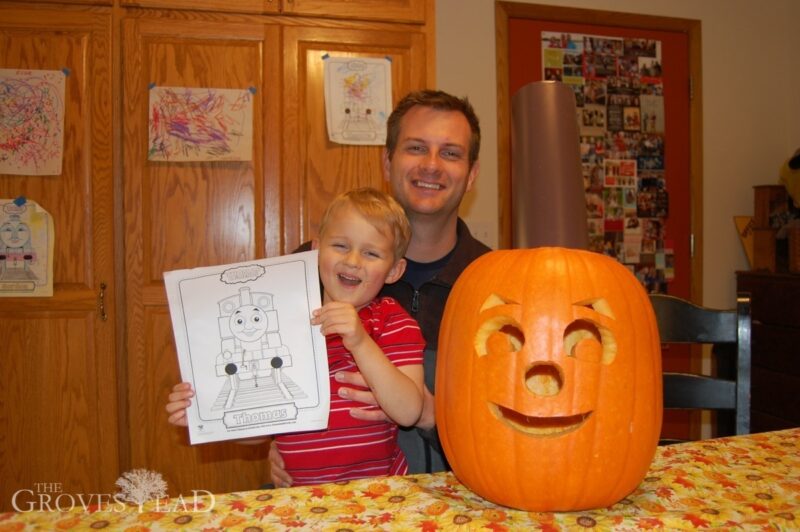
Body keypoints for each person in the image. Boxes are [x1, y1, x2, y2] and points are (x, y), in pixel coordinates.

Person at [168, 89, 491, 485]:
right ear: (387, 162)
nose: (431, 165)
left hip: (433, 500)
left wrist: (426, 411)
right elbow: (263, 399)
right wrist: (217, 415)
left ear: (472, 173)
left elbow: (503, 429)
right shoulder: (304, 273)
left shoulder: (491, 283)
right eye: (416, 147)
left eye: (451, 153)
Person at [168, 188, 426, 485]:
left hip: (380, 494)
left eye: (371, 253)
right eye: (341, 246)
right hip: (300, 499)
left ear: (394, 270)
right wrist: (205, 414)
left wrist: (360, 342)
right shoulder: (283, 321)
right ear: (316, 252)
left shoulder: (392, 321)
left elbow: (408, 412)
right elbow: (260, 433)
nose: (353, 261)